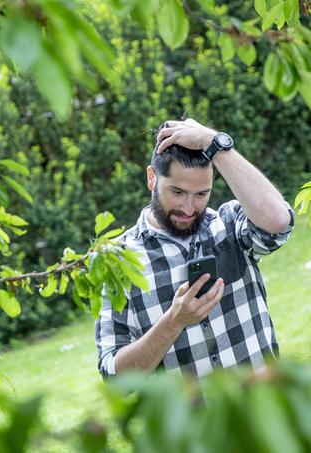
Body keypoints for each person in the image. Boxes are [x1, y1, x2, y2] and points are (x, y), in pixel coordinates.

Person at [95, 118, 294, 377]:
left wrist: (216, 144)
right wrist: (174, 322)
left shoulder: (230, 223)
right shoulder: (119, 259)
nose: (189, 209)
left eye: (201, 194)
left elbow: (278, 221)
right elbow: (115, 376)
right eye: (177, 192)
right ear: (152, 178)